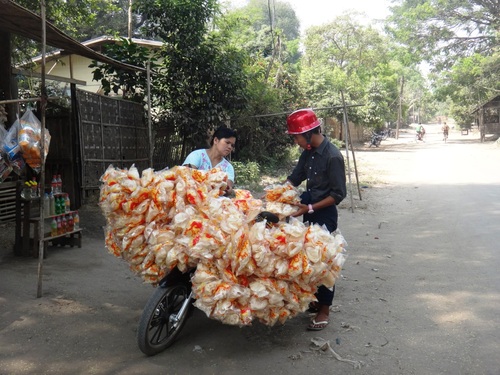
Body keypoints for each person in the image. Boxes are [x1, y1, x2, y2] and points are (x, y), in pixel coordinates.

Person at [285, 108, 347, 331]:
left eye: (296, 137)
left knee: (324, 261)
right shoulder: (308, 152)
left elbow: (338, 194)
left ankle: (324, 310)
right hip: (308, 209)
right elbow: (295, 177)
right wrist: (276, 193)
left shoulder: (333, 156)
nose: (296, 141)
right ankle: (313, 299)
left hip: (324, 212)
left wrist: (310, 207)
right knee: (309, 258)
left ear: (310, 133)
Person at [182, 126, 237, 195]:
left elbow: (227, 188)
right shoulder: (196, 156)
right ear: (216, 140)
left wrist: (228, 189)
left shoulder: (228, 167)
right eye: (227, 142)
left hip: (215, 204)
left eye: (232, 145)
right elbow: (186, 177)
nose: (230, 147)